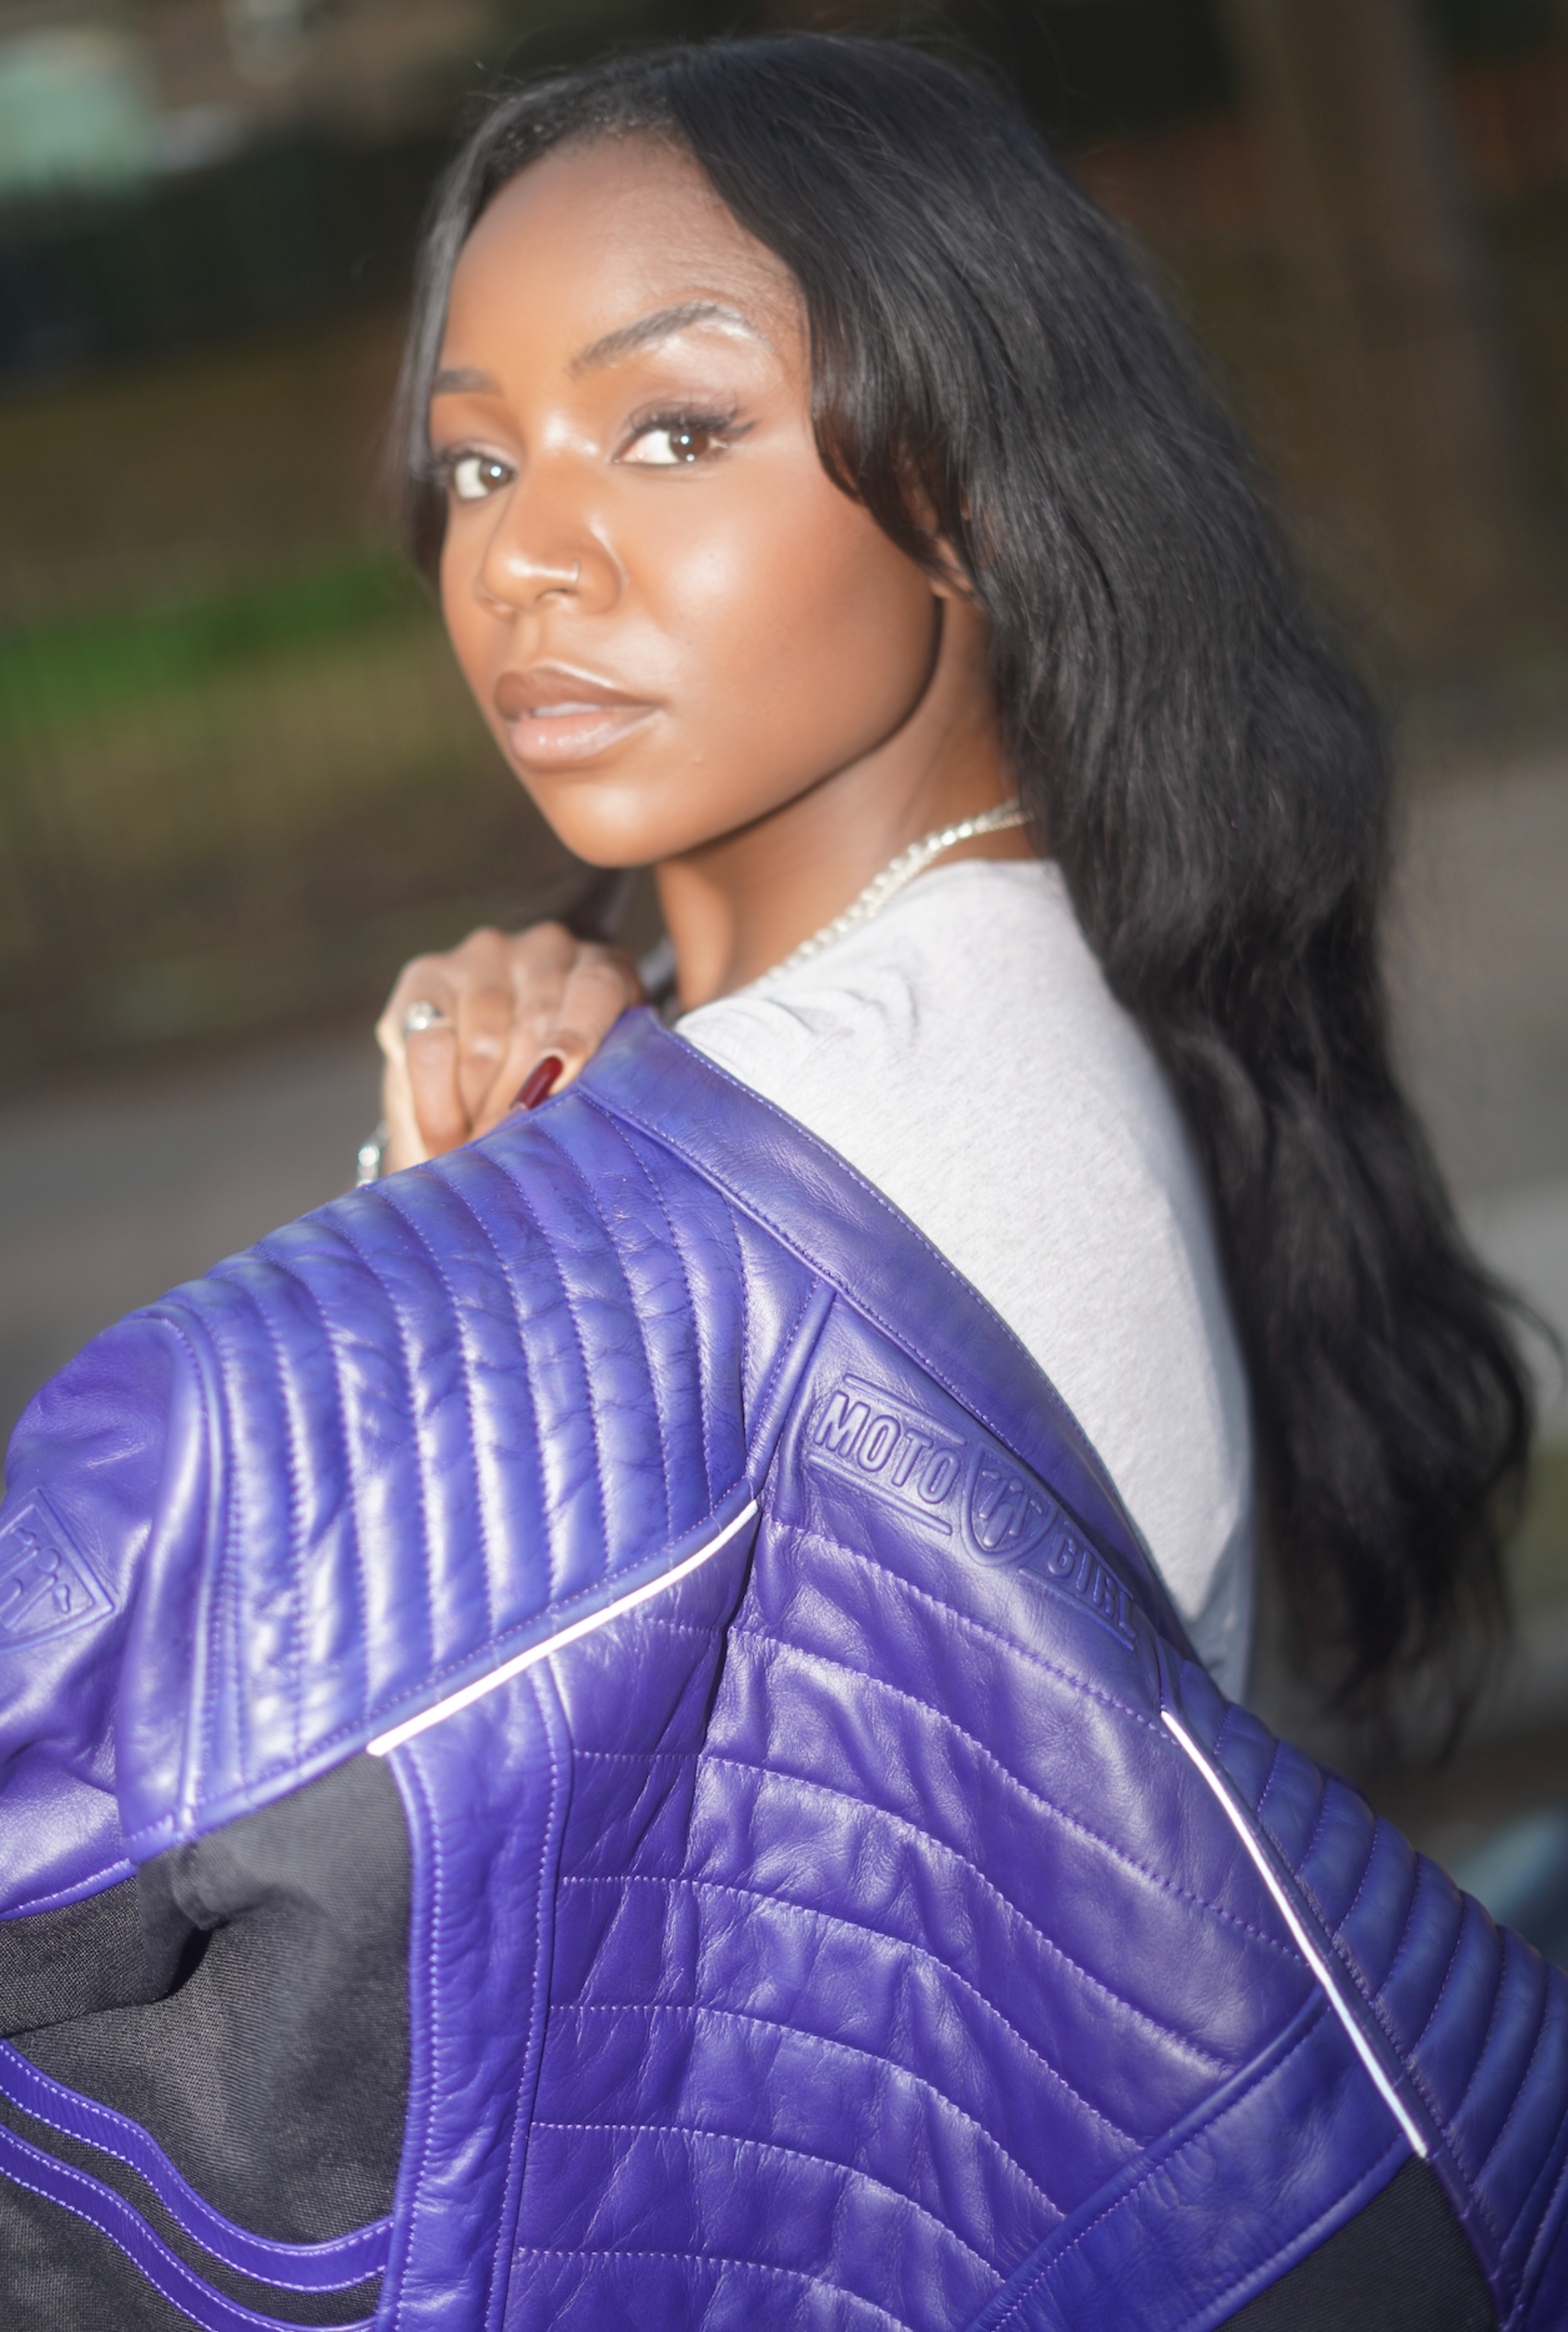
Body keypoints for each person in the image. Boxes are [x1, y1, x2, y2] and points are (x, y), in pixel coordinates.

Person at [0, 34, 1557, 2332]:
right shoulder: (1012, 1002)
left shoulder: (856, 1112)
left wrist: (508, 1198)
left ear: (977, 477)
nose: (521, 551)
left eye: (672, 427)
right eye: (472, 455)